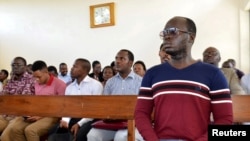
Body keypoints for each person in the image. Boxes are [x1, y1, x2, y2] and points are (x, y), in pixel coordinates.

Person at [135, 16, 233, 141]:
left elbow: (225, 119)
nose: (167, 36)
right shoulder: (152, 74)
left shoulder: (213, 74)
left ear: (191, 37)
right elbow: (141, 113)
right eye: (164, 33)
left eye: (173, 31)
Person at [87, 49, 144, 141]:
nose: (117, 61)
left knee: (121, 137)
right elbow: (104, 104)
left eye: (122, 59)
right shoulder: (110, 82)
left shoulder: (141, 81)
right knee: (93, 135)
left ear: (130, 63)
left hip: (133, 122)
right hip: (112, 122)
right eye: (116, 58)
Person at [4, 60, 66, 141]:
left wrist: (40, 116)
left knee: (30, 131)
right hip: (36, 112)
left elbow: (60, 107)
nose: (36, 80)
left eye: (39, 77)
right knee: (15, 129)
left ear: (46, 72)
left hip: (52, 115)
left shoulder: (60, 84)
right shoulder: (36, 83)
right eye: (35, 77)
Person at [58, 58, 103, 141]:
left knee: (80, 135)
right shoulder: (69, 87)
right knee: (55, 133)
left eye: (75, 66)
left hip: (89, 119)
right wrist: (65, 120)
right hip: (72, 118)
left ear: (84, 70)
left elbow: (94, 110)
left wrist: (79, 124)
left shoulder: (96, 85)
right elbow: (67, 107)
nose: (71, 69)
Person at [0, 56, 36, 141]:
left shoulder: (31, 79)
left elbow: (26, 99)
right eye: (13, 65)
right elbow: (3, 96)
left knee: (4, 138)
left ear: (25, 66)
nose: (15, 67)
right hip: (6, 114)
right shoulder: (11, 80)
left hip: (20, 116)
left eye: (18, 65)